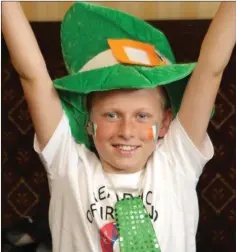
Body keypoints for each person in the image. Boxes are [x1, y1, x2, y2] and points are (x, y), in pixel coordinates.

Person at [2, 2, 235, 252]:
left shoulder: (177, 162)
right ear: (88, 123)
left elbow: (210, 69)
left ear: (165, 122)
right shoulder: (68, 165)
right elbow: (32, 75)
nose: (126, 130)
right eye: (112, 115)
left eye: (142, 116)